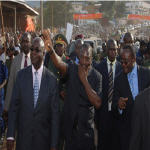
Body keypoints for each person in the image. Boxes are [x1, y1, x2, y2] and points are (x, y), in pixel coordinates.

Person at [43, 29, 102, 150]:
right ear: (78, 57)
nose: (84, 61)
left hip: (86, 133)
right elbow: (59, 64)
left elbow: (97, 103)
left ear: (92, 59)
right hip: (70, 132)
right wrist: (51, 50)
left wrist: (84, 80)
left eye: (88, 58)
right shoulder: (73, 69)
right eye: (82, 57)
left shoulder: (97, 77)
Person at [7, 37, 59, 150]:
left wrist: (54, 144)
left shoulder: (52, 80)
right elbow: (14, 107)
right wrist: (10, 135)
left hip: (43, 141)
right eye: (32, 49)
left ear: (44, 54)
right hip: (23, 140)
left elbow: (54, 116)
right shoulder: (21, 76)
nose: (33, 53)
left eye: (37, 50)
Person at [112, 45, 150, 150]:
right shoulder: (118, 79)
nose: (123, 65)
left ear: (133, 59)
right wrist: (119, 106)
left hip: (145, 132)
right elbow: (114, 105)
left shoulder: (147, 74)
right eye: (121, 61)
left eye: (126, 62)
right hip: (127, 133)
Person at [94, 39, 122, 150]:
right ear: (106, 50)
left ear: (117, 50)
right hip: (103, 113)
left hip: (117, 114)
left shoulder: (121, 67)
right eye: (110, 49)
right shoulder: (99, 67)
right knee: (103, 144)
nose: (112, 52)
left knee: (116, 144)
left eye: (115, 50)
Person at [4, 32, 32, 112]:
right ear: (21, 43)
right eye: (23, 41)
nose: (25, 44)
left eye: (27, 41)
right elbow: (11, 84)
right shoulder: (15, 61)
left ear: (31, 43)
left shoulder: (36, 60)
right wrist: (6, 107)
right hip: (18, 106)